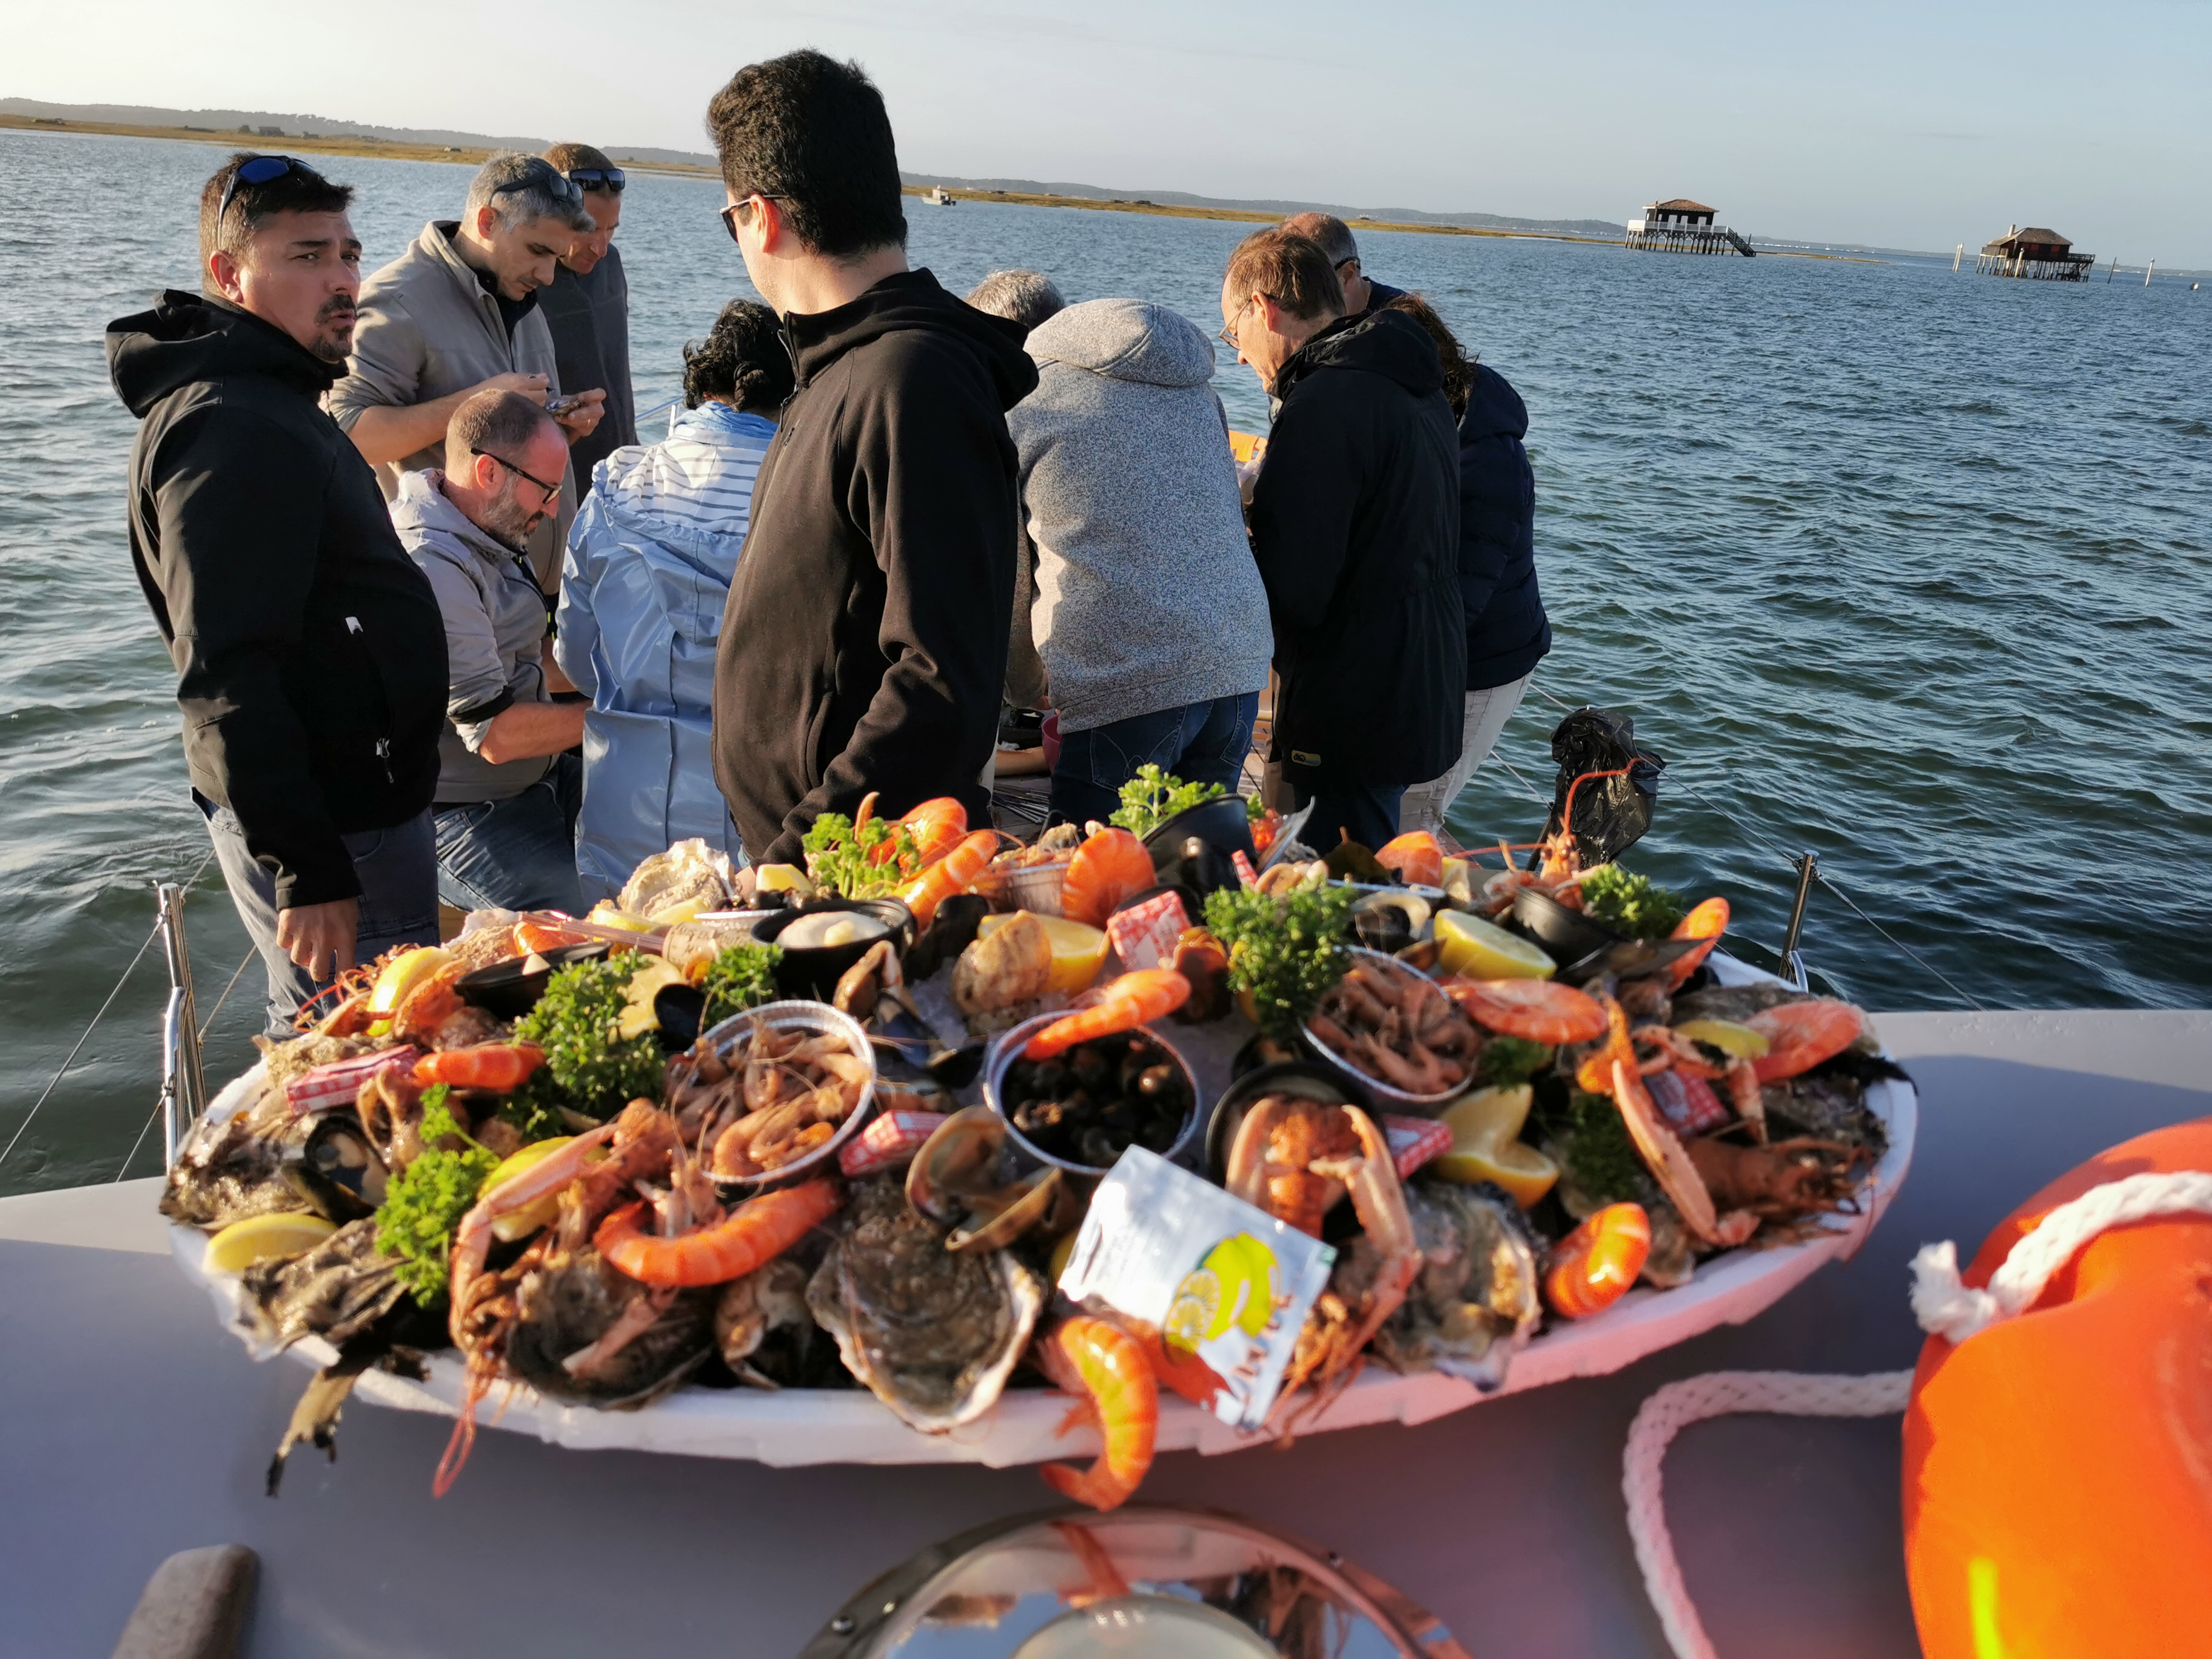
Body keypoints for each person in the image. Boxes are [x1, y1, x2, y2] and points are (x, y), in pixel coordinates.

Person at [106, 153, 447, 1032]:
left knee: (338, 1046)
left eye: (348, 252)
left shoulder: (275, 400)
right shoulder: (234, 425)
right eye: (306, 257)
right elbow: (226, 670)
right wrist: (310, 868)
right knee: (361, 1061)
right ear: (228, 273)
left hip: (353, 811)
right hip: (338, 832)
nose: (343, 280)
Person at [706, 50, 1037, 865]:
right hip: (814, 858)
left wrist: (795, 858)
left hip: (855, 874)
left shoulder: (909, 381)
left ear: (762, 217)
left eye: (731, 221)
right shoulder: (834, 371)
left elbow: (941, 677)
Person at [1222, 228, 1464, 850]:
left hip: (1347, 706)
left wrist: (1229, 530)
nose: (1242, 356)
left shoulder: (1323, 404)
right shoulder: (1409, 378)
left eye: (1234, 335)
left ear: (1263, 310)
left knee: (1311, 877)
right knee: (1365, 863)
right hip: (1415, 681)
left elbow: (1295, 589)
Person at [1002, 297, 1273, 826]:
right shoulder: (1200, 392)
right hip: (1236, 663)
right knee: (1197, 864)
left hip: (1126, 673)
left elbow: (1007, 575)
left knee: (1090, 881)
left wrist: (1020, 681)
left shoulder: (1025, 403)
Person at [557, 301, 794, 900]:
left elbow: (578, 662)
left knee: (622, 966)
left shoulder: (614, 486)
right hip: (751, 809)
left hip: (620, 796)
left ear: (700, 382)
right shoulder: (802, 501)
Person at [328, 152, 606, 589]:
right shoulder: (396, 300)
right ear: (486, 222)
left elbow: (500, 438)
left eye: (556, 256)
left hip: (531, 593)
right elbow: (344, 436)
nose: (549, 275)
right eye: (538, 251)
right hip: (449, 592)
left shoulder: (524, 298)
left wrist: (560, 424)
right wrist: (472, 404)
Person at [390, 389, 587, 915]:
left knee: (669, 833)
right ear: (489, 473)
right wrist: (626, 714)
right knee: (585, 929)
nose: (551, 510)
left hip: (540, 777)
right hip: (463, 811)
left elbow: (529, 659)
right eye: (546, 491)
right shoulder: (433, 564)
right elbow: (494, 735)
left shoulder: (484, 526)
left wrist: (638, 678)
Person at [1386, 295, 1552, 838]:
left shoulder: (1488, 462)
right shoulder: (1426, 437)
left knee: (1414, 809)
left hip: (1479, 666)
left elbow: (1460, 602)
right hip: (1441, 651)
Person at [963, 269, 1063, 716]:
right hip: (1226, 666)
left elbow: (1014, 577)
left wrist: (1023, 693)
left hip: (1081, 680)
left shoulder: (1014, 420)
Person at [539, 142, 637, 487]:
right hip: (556, 477)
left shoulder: (611, 264)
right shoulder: (525, 280)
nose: (602, 246)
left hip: (622, 470)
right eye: (590, 229)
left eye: (611, 229)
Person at [1278, 212, 1404, 318]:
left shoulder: (1405, 324)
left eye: (1303, 282)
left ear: (1347, 276)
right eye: (1279, 276)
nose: (1290, 294)